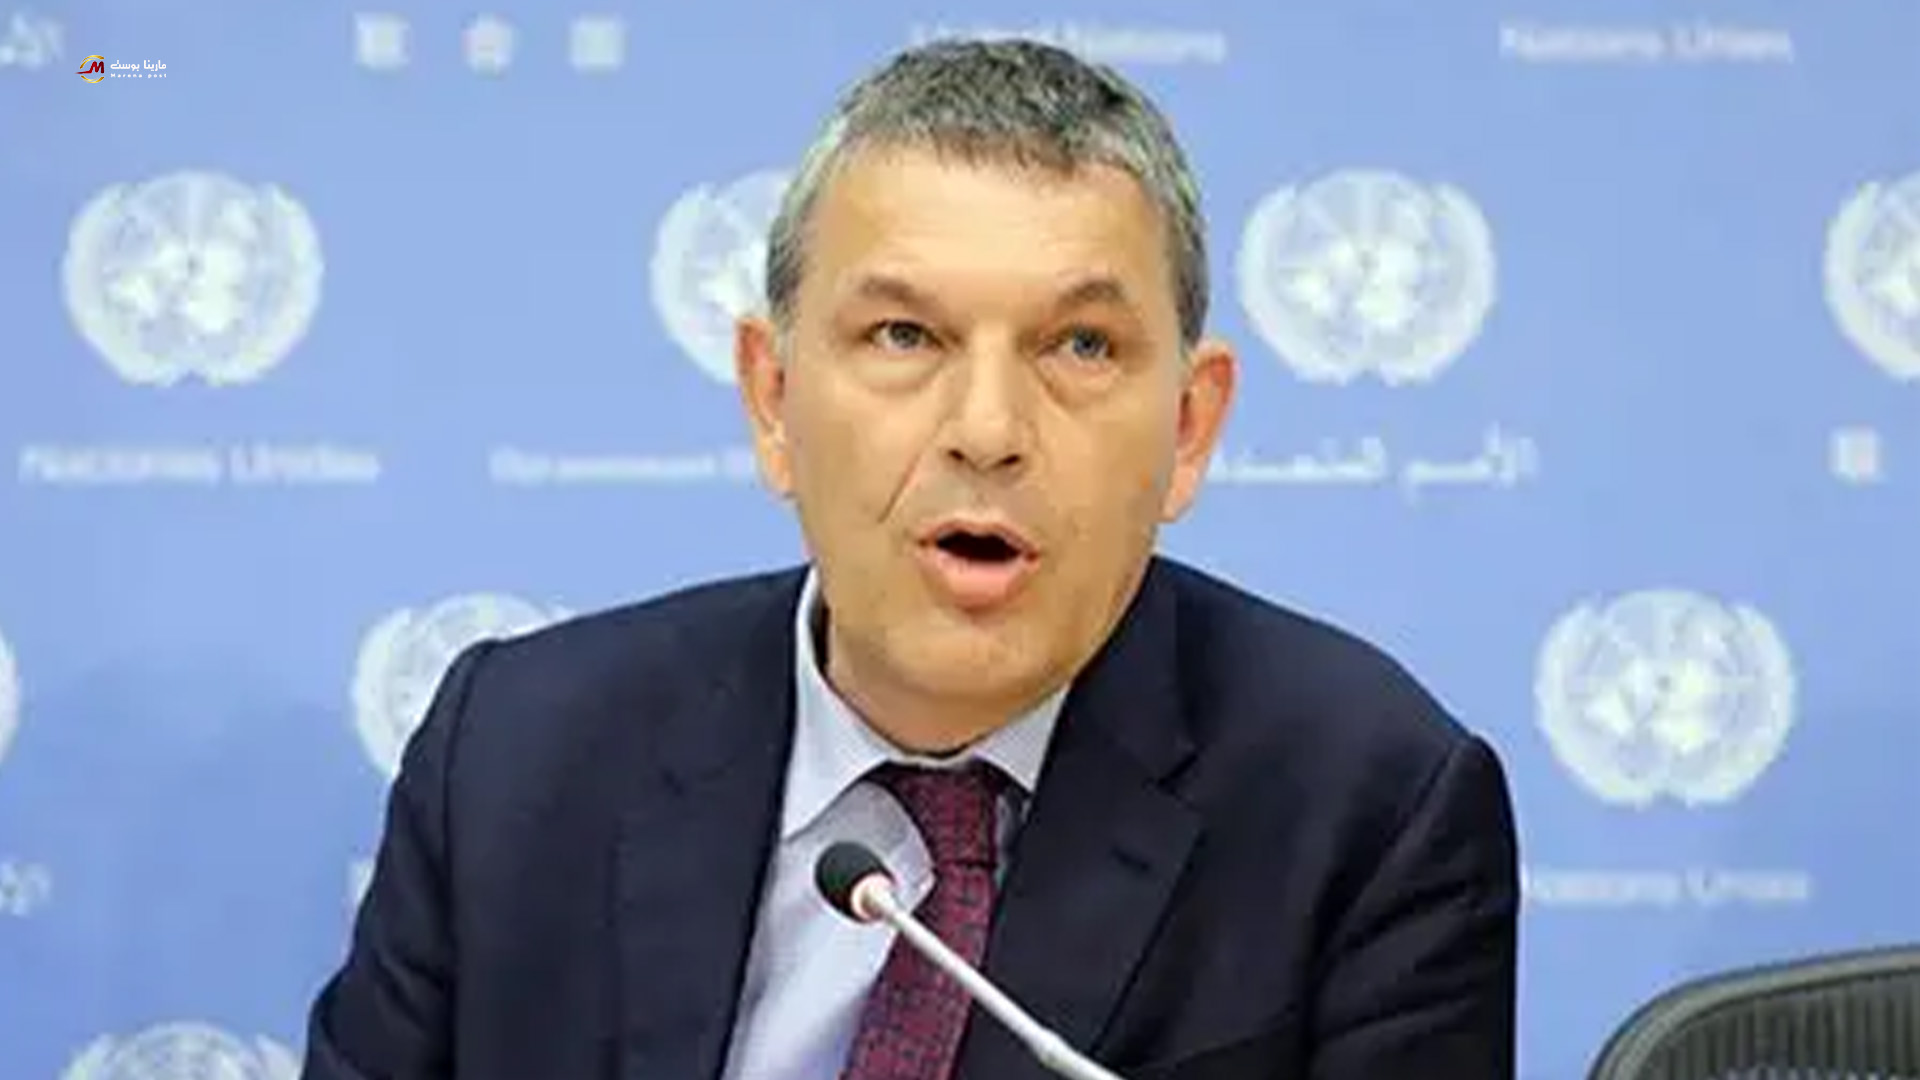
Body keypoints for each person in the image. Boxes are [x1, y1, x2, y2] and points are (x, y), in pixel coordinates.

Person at [301, 37, 1519, 1080]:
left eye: (1081, 347)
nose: (987, 430)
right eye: (903, 335)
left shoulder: (1369, 815)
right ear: (773, 400)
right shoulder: (517, 756)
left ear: (1190, 428)